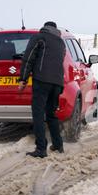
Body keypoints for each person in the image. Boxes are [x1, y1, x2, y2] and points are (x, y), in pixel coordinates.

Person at [19, 21, 65, 158]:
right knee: (51, 114)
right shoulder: (61, 43)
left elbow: (28, 58)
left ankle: (41, 149)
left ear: (44, 28)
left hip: (42, 81)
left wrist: (23, 79)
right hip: (57, 83)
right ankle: (58, 145)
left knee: (38, 114)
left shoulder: (39, 37)